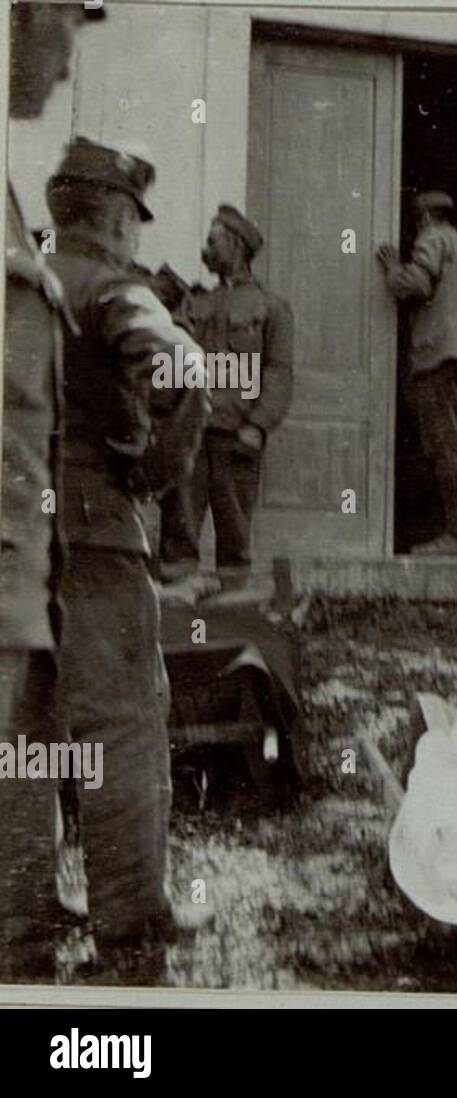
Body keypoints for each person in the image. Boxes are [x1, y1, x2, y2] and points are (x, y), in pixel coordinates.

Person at [44, 137, 212, 983]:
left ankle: (21, 913)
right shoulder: (115, 290)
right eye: (134, 223)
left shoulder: (17, 281)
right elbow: (187, 369)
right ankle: (131, 919)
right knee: (123, 725)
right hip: (96, 533)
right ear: (112, 217)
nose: (137, 241)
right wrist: (151, 472)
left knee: (23, 732)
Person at [0, 0, 105, 984]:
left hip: (28, 575)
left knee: (25, 755)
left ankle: (27, 925)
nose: (68, 59)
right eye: (69, 23)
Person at [158, 204, 294, 594]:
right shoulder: (194, 303)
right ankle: (177, 613)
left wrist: (258, 425)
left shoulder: (271, 308)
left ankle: (233, 613)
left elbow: (278, 373)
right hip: (191, 433)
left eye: (213, 240)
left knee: (234, 530)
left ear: (236, 245)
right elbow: (173, 362)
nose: (206, 248)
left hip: (237, 437)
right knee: (178, 525)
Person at [377, 191, 457, 556]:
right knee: (447, 445)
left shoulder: (434, 238)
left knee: (445, 447)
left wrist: (394, 269)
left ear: (424, 217)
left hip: (441, 358)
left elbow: (417, 284)